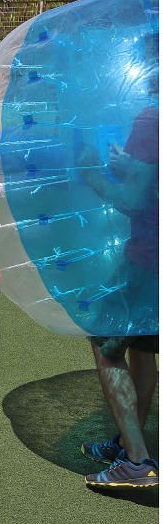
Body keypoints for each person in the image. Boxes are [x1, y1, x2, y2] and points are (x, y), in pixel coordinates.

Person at [78, 48, 158, 490]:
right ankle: (129, 445)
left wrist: (92, 172)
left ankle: (138, 461)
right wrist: (136, 168)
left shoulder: (151, 120)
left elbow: (133, 201)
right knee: (144, 347)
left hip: (148, 255)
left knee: (106, 343)